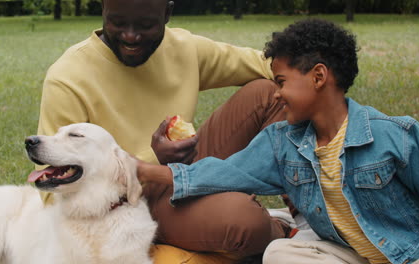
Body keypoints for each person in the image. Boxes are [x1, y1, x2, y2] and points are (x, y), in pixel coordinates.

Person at [137, 19, 419, 264]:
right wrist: (146, 171)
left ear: (319, 77)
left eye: (281, 81)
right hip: (348, 251)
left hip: (412, 252)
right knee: (278, 253)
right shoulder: (282, 143)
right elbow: (220, 173)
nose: (276, 93)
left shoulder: (395, 136)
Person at [36, 0, 293, 262]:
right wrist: (154, 159)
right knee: (244, 220)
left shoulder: (183, 48)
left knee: (270, 93)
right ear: (103, 8)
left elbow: (274, 66)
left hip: (186, 169)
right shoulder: (68, 77)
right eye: (118, 23)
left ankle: (304, 215)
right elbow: (53, 197)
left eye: (146, 25)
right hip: (128, 207)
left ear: (167, 13)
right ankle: (281, 230)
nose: (130, 37)